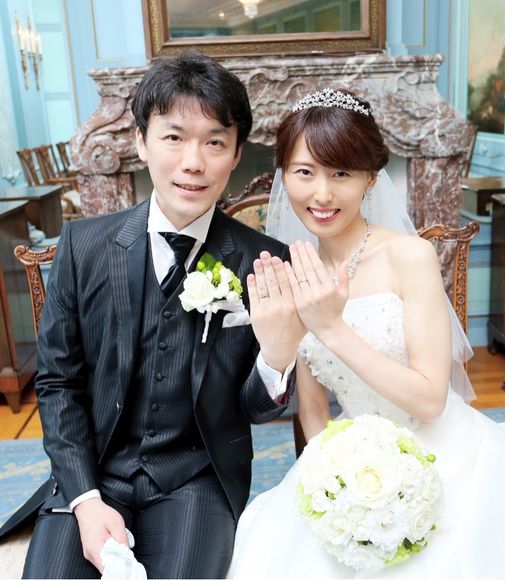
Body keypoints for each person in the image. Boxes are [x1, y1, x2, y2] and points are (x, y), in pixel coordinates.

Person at [227, 89, 505, 579]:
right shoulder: (295, 270)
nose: (322, 194)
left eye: (341, 173)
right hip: (350, 460)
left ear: (371, 179)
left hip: (442, 450)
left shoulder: (409, 256)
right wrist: (333, 487)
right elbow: (312, 411)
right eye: (305, 172)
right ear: (283, 175)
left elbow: (431, 399)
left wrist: (331, 328)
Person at [0, 51, 304, 579]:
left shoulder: (265, 262)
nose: (193, 162)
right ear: (141, 142)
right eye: (174, 137)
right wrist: (86, 501)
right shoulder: (84, 246)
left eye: (215, 142)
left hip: (197, 478)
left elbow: (255, 410)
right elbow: (57, 382)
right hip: (94, 470)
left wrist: (277, 356)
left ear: (236, 154)